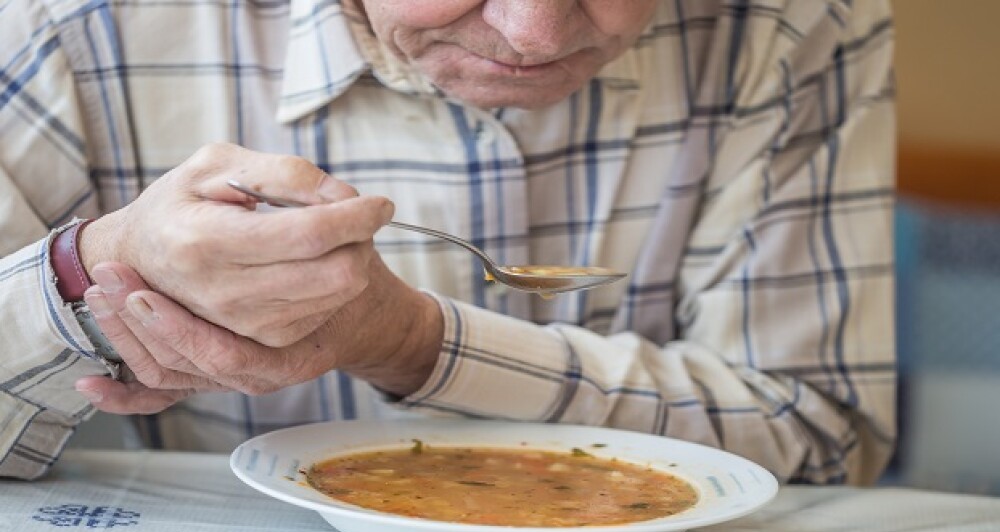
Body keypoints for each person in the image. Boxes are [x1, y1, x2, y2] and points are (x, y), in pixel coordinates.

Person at [0, 0, 896, 484]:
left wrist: (411, 342)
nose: (534, 31)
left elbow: (822, 436)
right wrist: (90, 270)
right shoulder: (69, 26)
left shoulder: (793, 24)